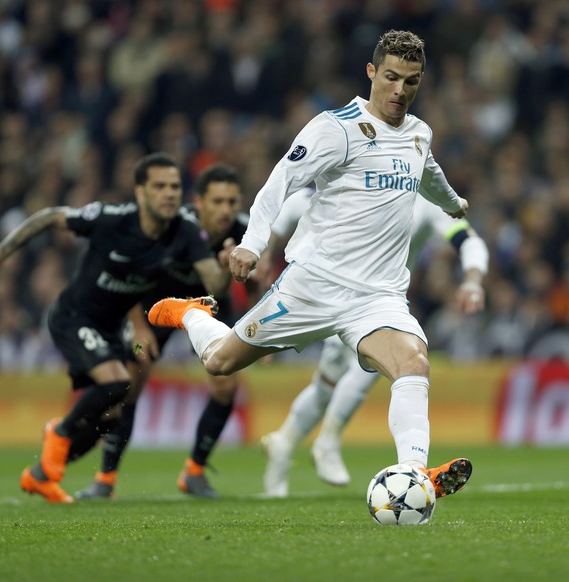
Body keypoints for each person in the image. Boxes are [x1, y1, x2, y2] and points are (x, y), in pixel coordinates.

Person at [148, 30, 474, 501]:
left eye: (411, 81)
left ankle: (413, 475)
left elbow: (429, 173)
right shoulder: (335, 128)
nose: (399, 91)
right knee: (220, 363)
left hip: (376, 296)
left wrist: (453, 203)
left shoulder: (419, 133)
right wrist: (252, 244)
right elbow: (280, 181)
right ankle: (190, 312)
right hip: (311, 287)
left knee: (413, 362)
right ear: (371, 72)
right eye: (391, 78)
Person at [0, 152, 231, 503]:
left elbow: (214, 283)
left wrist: (226, 267)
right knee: (118, 383)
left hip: (115, 330)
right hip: (74, 318)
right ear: (140, 192)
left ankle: (43, 472)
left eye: (175, 187)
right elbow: (50, 217)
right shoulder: (110, 218)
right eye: (159, 186)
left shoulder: (185, 230)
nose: (169, 194)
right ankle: (60, 431)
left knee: (113, 413)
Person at [261, 191, 489, 496]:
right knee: (347, 375)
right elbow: (291, 205)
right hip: (331, 295)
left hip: (380, 302)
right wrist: (265, 249)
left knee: (332, 382)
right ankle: (325, 440)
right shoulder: (353, 184)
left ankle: (286, 442)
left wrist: (472, 280)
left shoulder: (425, 206)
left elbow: (468, 240)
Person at [74, 163, 253, 500]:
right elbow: (127, 275)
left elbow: (252, 283)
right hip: (154, 310)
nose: (226, 210)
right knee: (130, 385)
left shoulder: (245, 232)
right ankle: (105, 479)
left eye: (231, 202)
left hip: (211, 308)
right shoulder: (171, 226)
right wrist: (138, 326)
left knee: (227, 386)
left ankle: (194, 473)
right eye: (217, 202)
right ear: (198, 202)